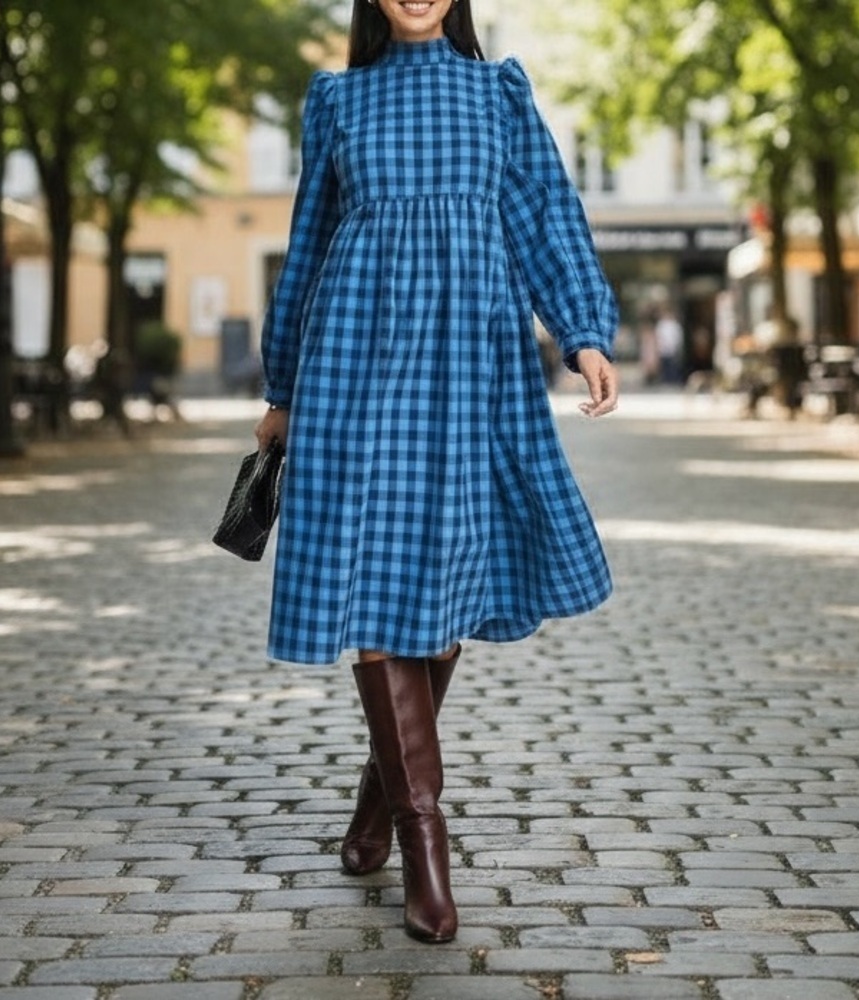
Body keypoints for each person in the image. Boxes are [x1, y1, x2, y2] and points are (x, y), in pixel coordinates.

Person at [254, 0, 619, 945]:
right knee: (376, 581)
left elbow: (545, 214)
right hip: (353, 361)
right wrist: (284, 383)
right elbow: (306, 243)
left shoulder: (499, 92)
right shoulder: (336, 98)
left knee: (447, 579)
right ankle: (424, 830)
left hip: (470, 360)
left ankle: (380, 799)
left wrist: (581, 333)